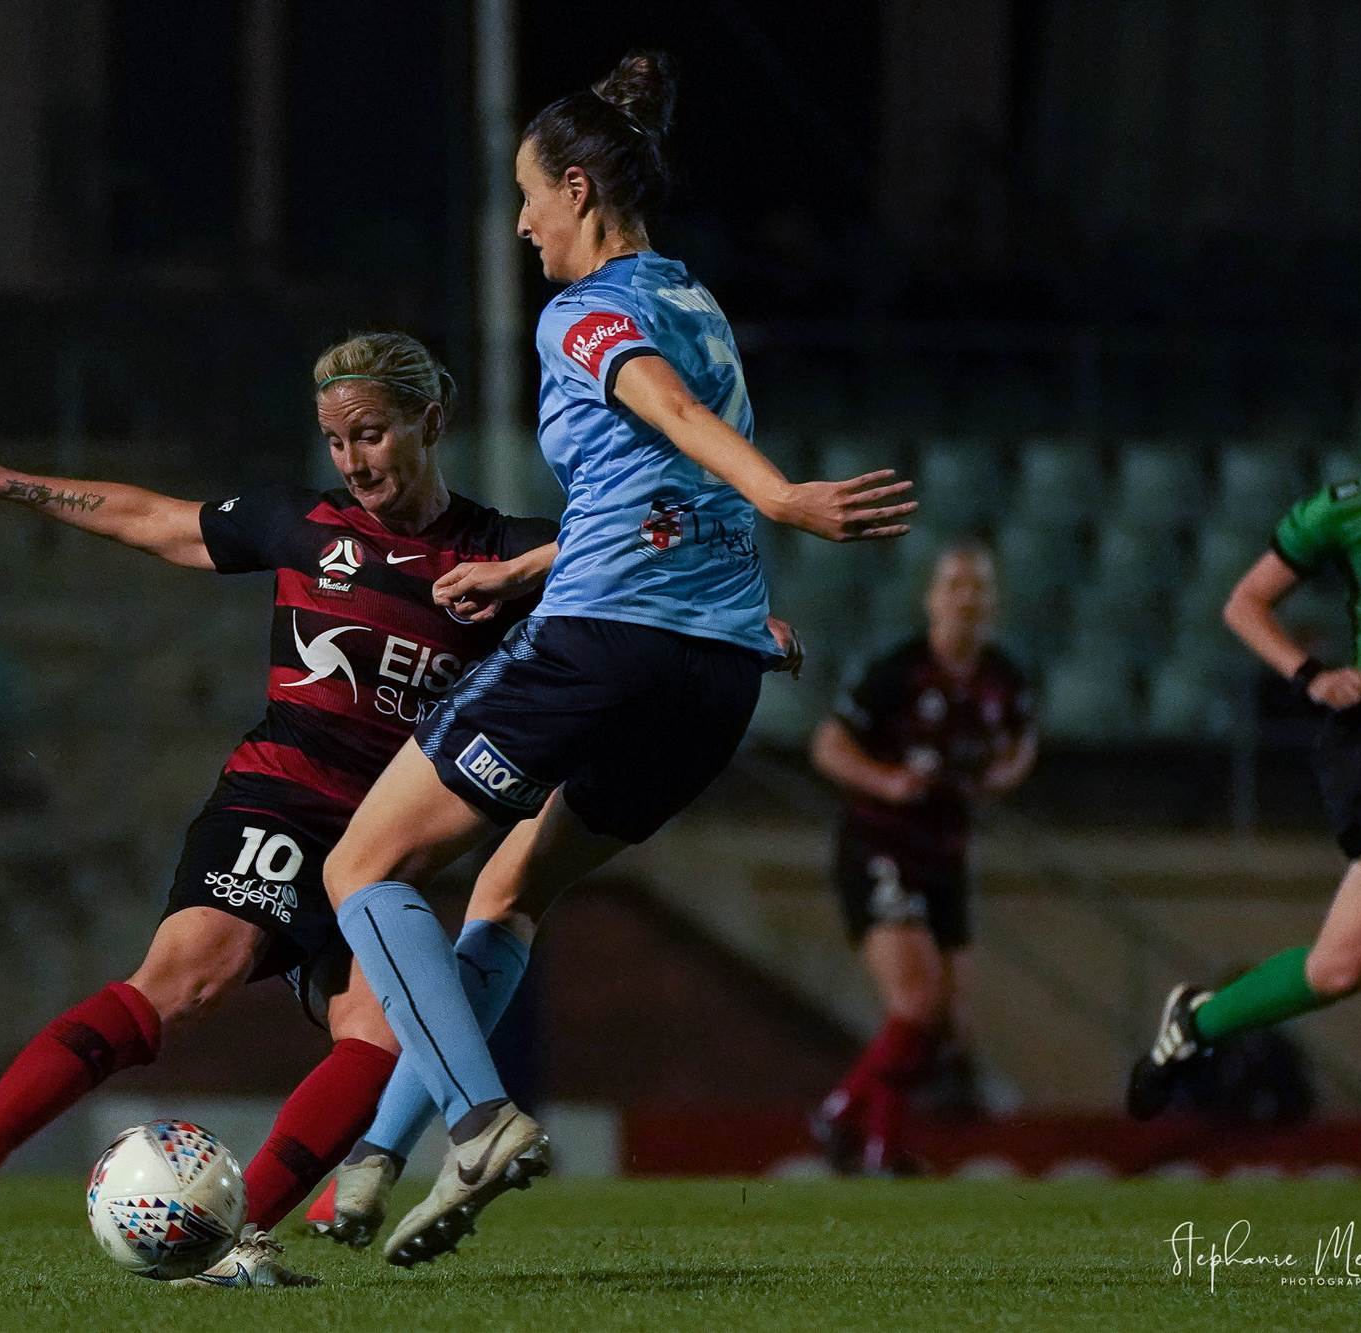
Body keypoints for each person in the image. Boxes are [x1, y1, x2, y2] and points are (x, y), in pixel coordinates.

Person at [314, 50, 915, 1268]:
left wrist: (787, 499)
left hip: (605, 645)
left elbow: (678, 425)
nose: (521, 220)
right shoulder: (695, 300)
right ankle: (379, 1157)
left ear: (580, 189)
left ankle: (477, 1120)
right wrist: (522, 569)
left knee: (362, 862)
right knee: (507, 892)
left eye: (529, 194)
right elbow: (662, 480)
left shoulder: (580, 311)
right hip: (713, 672)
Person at [0, 332, 560, 1287]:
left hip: (381, 849)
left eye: (371, 434)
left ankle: (238, 1243)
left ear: (433, 422)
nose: (354, 460)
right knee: (191, 978)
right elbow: (157, 519)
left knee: (380, 1035)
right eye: (336, 440)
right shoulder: (303, 526)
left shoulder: (502, 555)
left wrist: (734, 630)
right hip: (282, 801)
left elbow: (618, 569)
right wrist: (4, 481)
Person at [1127, 326, 1361, 1131]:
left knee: (1337, 968)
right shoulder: (1351, 509)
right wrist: (1311, 675)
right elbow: (1245, 601)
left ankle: (1193, 1024)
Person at [805, 542, 1035, 1175]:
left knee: (946, 1026)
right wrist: (888, 782)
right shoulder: (897, 671)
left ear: (993, 602)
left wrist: (1003, 776)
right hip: (881, 844)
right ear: (932, 598)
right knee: (916, 1005)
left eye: (979, 587)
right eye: (955, 584)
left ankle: (882, 1149)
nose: (967, 598)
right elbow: (828, 746)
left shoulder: (1004, 678)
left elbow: (1021, 743)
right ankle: (841, 1113)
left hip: (946, 853)